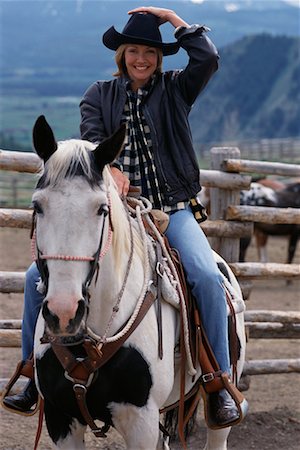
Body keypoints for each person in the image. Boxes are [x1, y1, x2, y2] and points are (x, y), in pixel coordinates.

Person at [4, 6, 243, 427]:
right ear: (122, 55)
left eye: (150, 52)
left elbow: (207, 59)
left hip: (172, 208)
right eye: (134, 51)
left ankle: (217, 380)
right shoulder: (99, 95)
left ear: (159, 58)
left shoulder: (176, 89)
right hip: (118, 209)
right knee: (31, 279)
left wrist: (173, 19)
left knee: (206, 274)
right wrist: (108, 169)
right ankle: (29, 372)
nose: (141, 59)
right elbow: (94, 140)